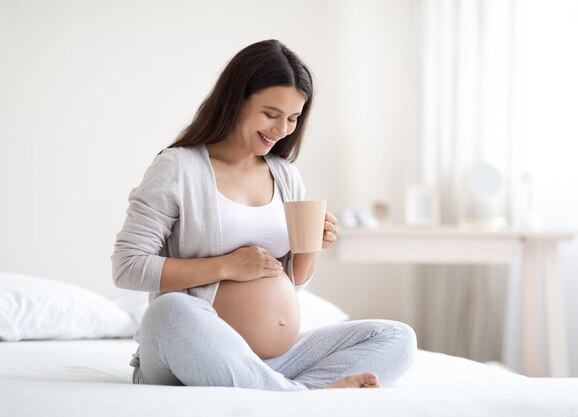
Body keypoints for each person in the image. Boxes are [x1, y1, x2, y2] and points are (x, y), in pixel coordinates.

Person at [111, 39, 416, 391]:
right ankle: (298, 396)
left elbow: (294, 283)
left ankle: (278, 389)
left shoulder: (285, 174)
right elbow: (127, 267)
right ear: (236, 100)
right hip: (192, 353)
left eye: (293, 118)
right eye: (271, 114)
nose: (282, 129)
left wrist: (310, 245)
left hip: (273, 363)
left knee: (395, 336)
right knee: (170, 313)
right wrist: (227, 266)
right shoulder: (179, 167)